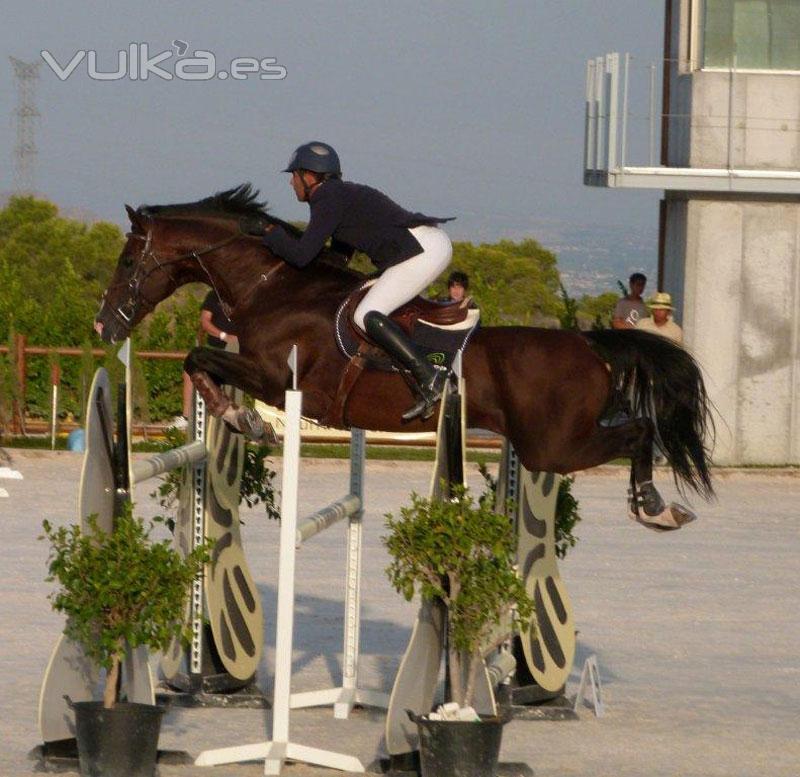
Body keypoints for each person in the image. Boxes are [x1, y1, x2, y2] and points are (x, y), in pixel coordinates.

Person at [242, 141, 454, 421]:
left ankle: (429, 378)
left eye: (294, 175)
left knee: (367, 314)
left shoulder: (327, 198)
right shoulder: (338, 196)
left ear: (310, 176)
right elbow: (337, 259)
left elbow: (303, 255)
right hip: (423, 247)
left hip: (422, 251)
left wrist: (269, 232)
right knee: (365, 303)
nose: (291, 182)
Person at [173, 290, 238, 429]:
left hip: (237, 352)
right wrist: (223, 336)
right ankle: (186, 416)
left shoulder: (242, 294)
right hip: (216, 349)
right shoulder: (214, 295)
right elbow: (205, 321)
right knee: (189, 370)